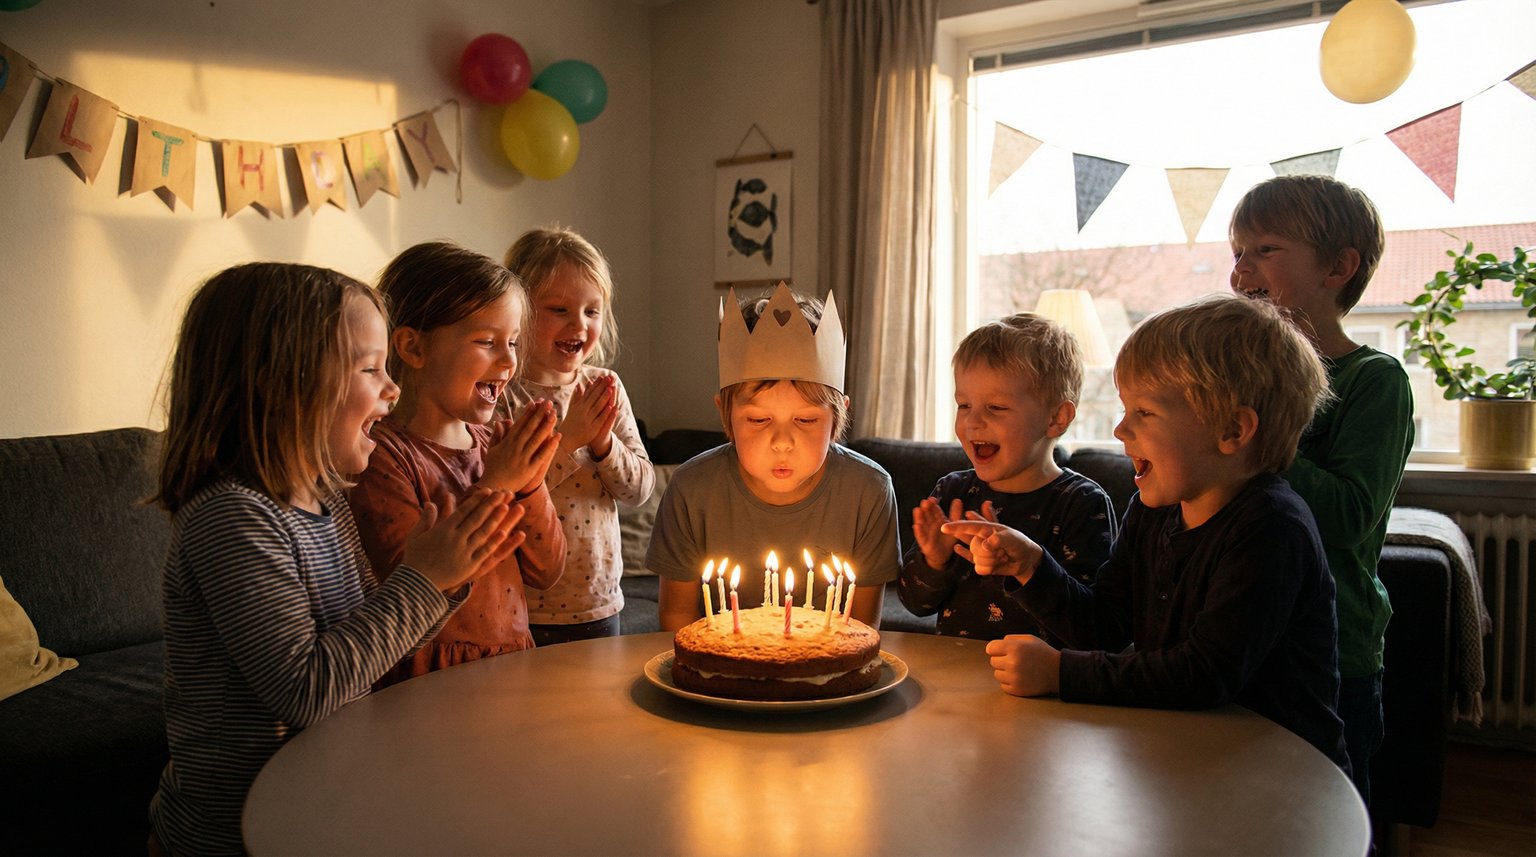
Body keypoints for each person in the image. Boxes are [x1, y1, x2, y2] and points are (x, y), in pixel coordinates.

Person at [149, 263, 524, 855]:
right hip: (240, 833)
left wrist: (442, 576)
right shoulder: (234, 517)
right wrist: (424, 580)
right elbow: (306, 689)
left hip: (323, 806)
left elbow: (364, 645)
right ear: (285, 383)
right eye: (370, 369)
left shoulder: (326, 501)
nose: (392, 387)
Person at [944, 294, 1351, 773]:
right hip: (1192, 757)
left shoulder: (1272, 529)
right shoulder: (1156, 510)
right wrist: (1032, 566)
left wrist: (1062, 672)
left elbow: (1204, 673)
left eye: (1144, 413)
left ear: (1233, 430)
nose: (1120, 430)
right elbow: (1104, 626)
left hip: (1284, 778)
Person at [1230, 174, 1413, 803]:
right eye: (1237, 253)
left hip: (1335, 650)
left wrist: (1253, 433)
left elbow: (1348, 516)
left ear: (1338, 267)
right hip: (1242, 637)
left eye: (1264, 250)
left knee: (1328, 808)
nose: (1240, 270)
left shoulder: (1374, 380)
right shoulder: (1241, 391)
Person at [350, 241, 566, 686]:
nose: (509, 362)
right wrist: (498, 485)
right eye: (487, 342)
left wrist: (527, 486)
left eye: (512, 342)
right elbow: (411, 581)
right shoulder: (381, 454)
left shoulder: (496, 444)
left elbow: (547, 570)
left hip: (511, 666)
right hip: (428, 677)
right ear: (412, 347)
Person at [647, 283, 902, 630]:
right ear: (726, 415)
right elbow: (677, 619)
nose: (782, 442)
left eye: (806, 420)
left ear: (838, 416)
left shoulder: (869, 492)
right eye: (758, 420)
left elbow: (860, 630)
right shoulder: (691, 490)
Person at [898, 313, 1115, 639]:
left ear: (1057, 418)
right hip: (955, 674)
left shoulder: (1082, 503)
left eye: (996, 408)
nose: (973, 423)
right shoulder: (952, 492)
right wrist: (934, 560)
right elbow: (915, 604)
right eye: (964, 405)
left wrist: (1031, 568)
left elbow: (1094, 628)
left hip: (1040, 684)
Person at [501, 227, 655, 644]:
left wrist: (603, 445)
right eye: (559, 309)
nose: (579, 324)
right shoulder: (502, 394)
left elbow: (639, 489)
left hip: (600, 601)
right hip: (525, 605)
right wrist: (568, 441)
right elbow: (506, 496)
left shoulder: (605, 386)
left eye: (592, 311)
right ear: (519, 311)